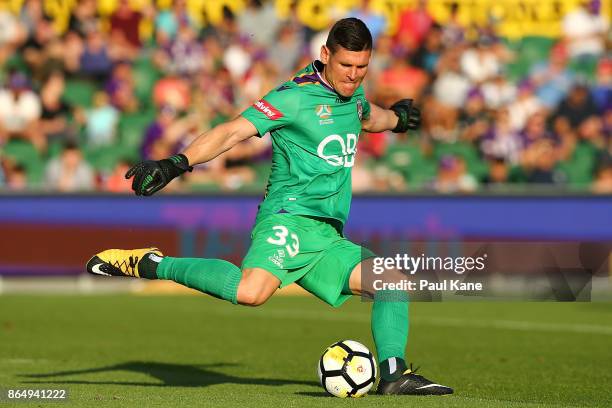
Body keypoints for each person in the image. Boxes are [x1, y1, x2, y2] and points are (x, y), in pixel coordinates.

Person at [86, 18, 452, 396]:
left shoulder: (353, 94)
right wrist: (177, 163)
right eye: (346, 66)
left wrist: (398, 120)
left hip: (326, 235)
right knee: (251, 293)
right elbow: (232, 131)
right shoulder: (292, 97)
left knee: (392, 282)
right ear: (325, 54)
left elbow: (367, 115)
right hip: (288, 219)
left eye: (362, 67)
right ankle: (152, 263)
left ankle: (393, 376)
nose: (354, 76)